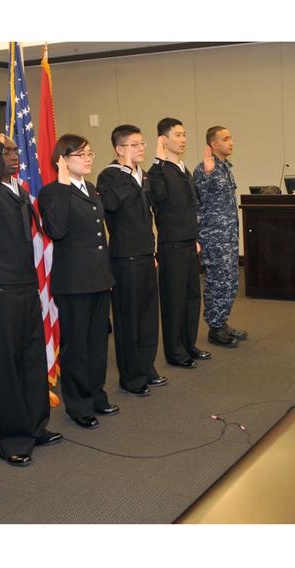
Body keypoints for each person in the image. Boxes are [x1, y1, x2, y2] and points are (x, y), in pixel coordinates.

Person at [0, 118, 61, 467]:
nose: (15, 155)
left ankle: (35, 425)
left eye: (14, 150)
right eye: (4, 151)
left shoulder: (17, 189)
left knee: (31, 357)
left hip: (24, 284)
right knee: (5, 365)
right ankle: (11, 438)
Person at [37, 135, 118, 429]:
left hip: (98, 279)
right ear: (62, 159)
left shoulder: (91, 188)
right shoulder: (51, 192)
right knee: (77, 347)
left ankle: (97, 395)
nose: (88, 158)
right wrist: (61, 184)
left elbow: (100, 238)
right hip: (73, 284)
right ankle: (79, 404)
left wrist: (107, 275)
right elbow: (55, 229)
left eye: (90, 153)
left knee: (97, 344)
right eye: (80, 154)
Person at [97, 125, 168, 397]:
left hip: (145, 254)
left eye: (142, 144)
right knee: (129, 319)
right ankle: (131, 377)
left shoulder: (143, 174)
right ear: (120, 149)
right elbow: (112, 205)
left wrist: (145, 172)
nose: (141, 149)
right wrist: (128, 172)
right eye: (135, 144)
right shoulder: (109, 176)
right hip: (123, 257)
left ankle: (146, 366)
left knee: (148, 316)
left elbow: (159, 199)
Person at [148, 117, 211, 368]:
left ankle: (189, 344)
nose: (183, 139)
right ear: (163, 140)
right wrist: (159, 161)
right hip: (171, 244)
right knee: (174, 300)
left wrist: (195, 238)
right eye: (177, 135)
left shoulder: (183, 169)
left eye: (184, 135)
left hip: (187, 242)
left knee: (191, 297)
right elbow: (159, 198)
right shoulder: (157, 171)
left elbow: (191, 205)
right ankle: (175, 352)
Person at [194, 126, 248, 347]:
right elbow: (198, 201)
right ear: (213, 145)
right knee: (217, 282)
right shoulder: (204, 169)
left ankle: (222, 322)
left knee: (229, 282)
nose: (231, 142)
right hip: (214, 237)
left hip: (228, 237)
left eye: (231, 138)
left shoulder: (225, 167)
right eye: (225, 139)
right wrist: (207, 175)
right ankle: (215, 328)